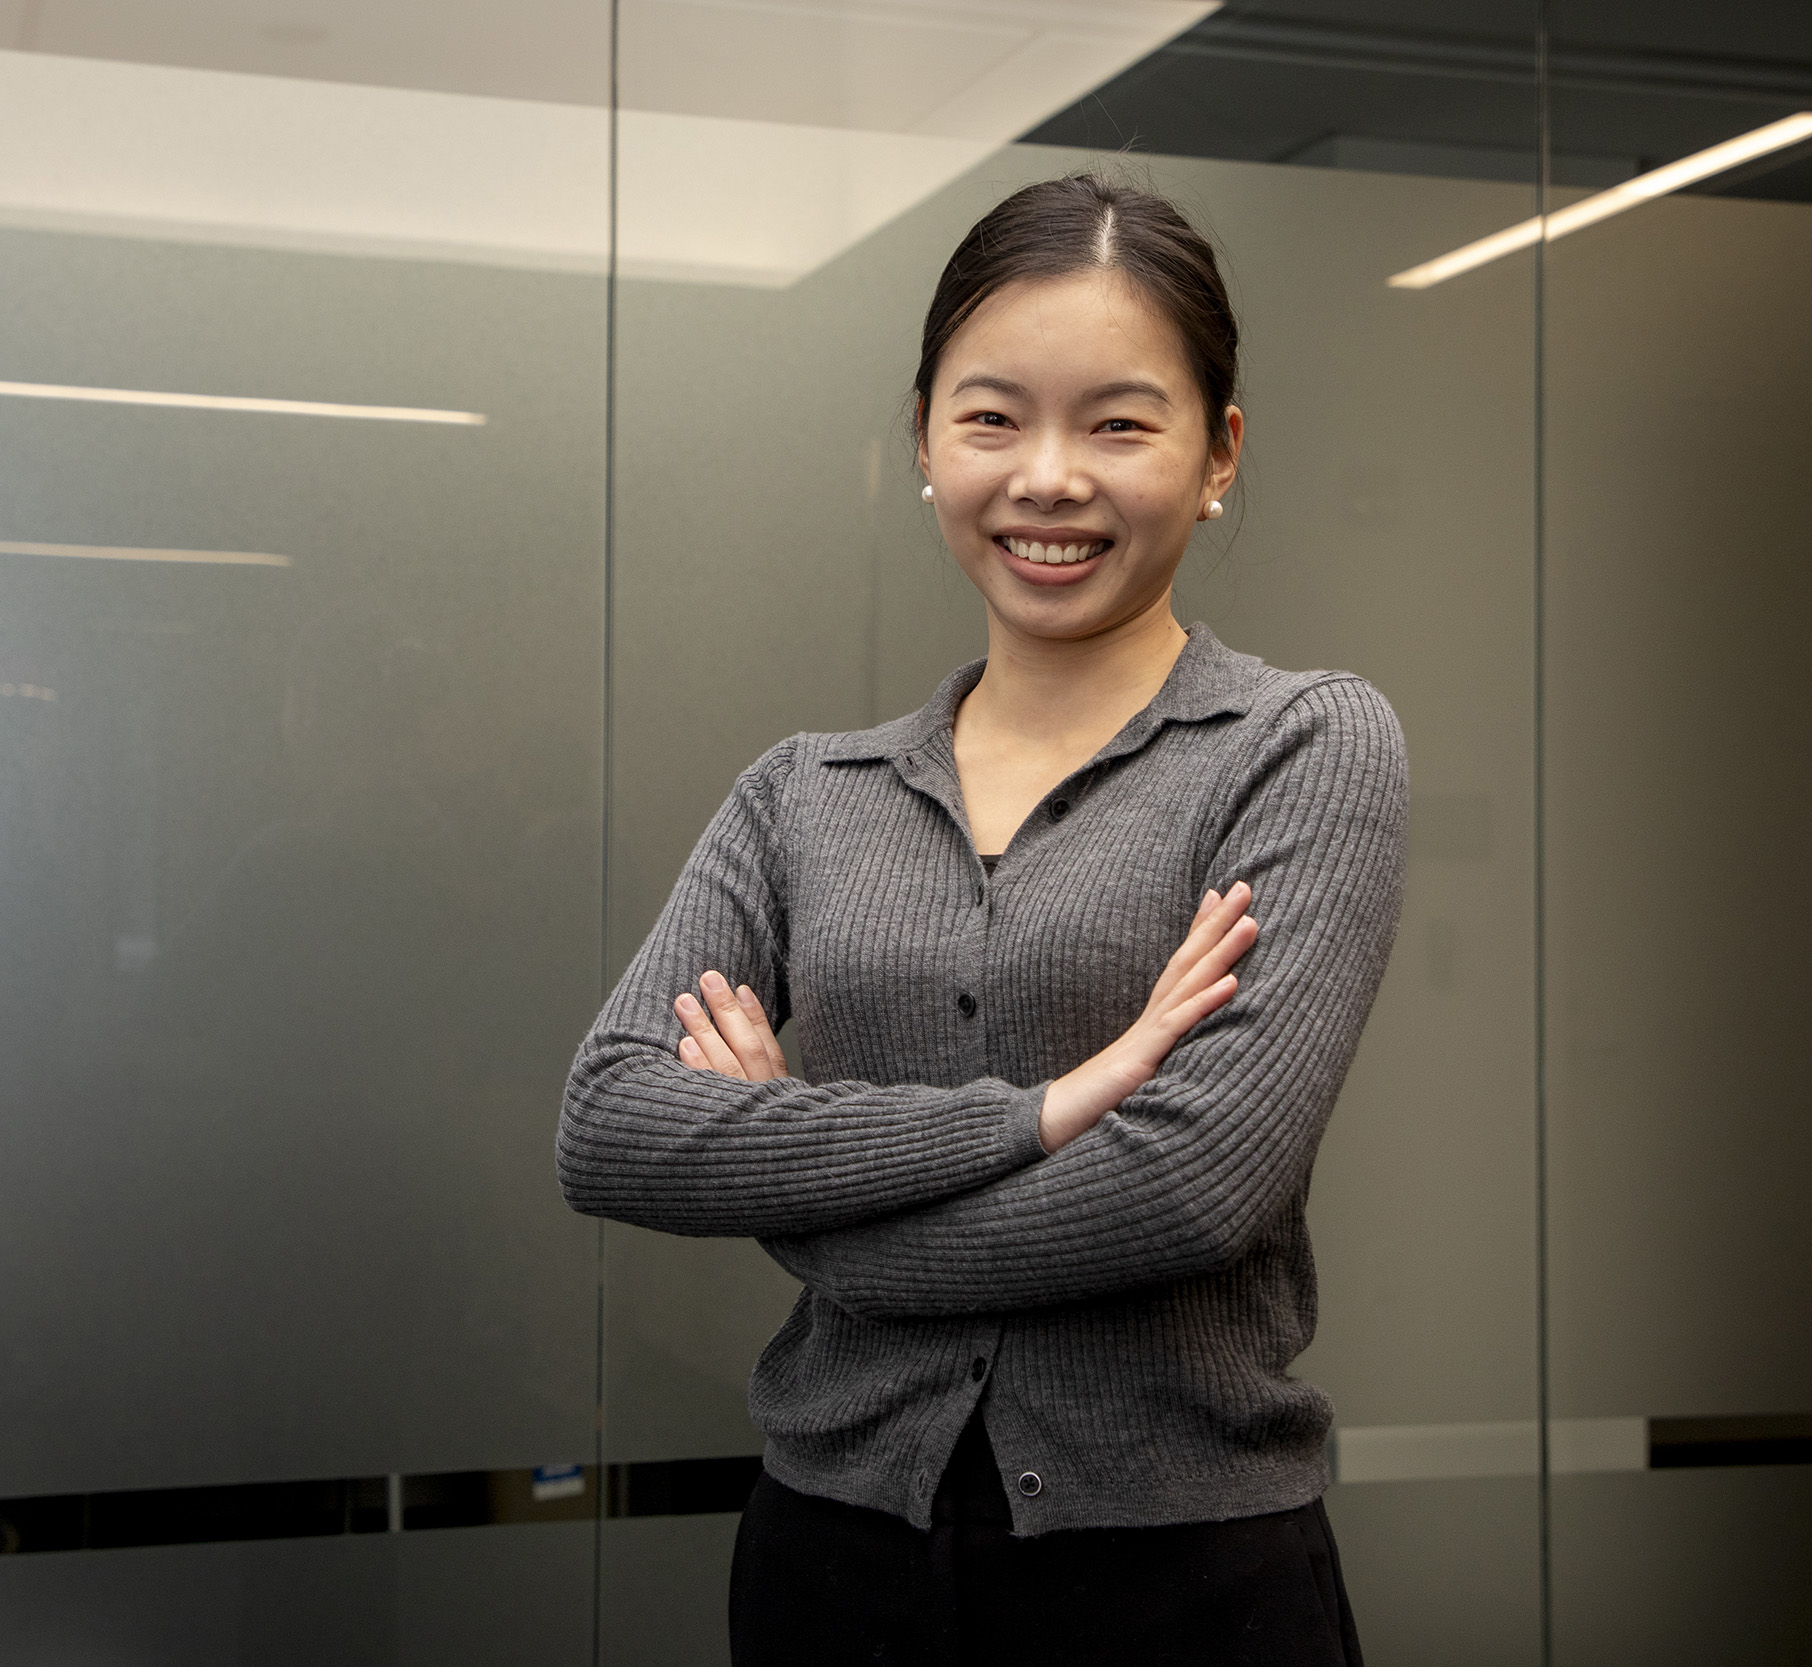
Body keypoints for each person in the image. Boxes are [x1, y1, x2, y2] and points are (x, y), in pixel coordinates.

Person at [558, 174, 1407, 1666]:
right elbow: (613, 1123)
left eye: (1120, 423)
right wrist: (1042, 1112)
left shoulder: (1303, 747)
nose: (1050, 478)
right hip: (832, 1558)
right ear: (926, 444)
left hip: (1182, 1576)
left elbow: (1193, 1185)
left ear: (1218, 455)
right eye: (994, 417)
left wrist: (806, 1200)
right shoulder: (802, 795)